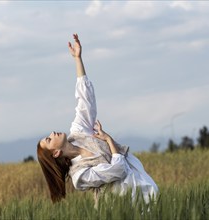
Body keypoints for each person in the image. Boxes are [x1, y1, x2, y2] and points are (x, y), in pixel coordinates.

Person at [37, 34, 158, 205]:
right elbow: (118, 169)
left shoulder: (79, 133)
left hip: (143, 186)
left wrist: (78, 59)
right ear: (56, 153)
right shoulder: (79, 176)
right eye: (49, 139)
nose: (52, 133)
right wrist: (108, 140)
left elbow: (85, 101)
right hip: (124, 207)